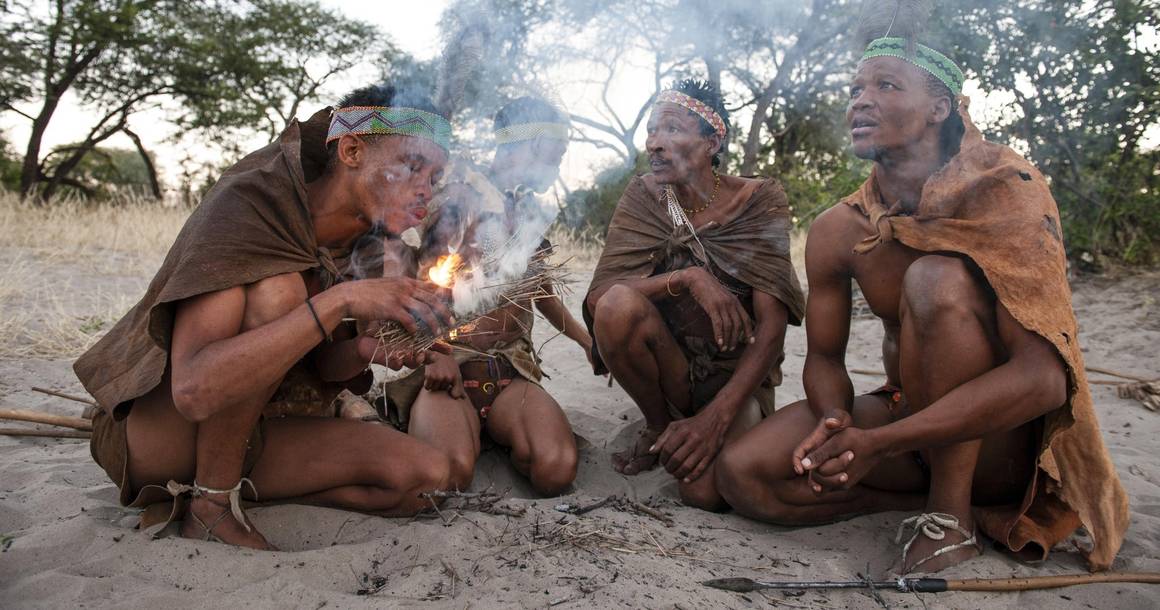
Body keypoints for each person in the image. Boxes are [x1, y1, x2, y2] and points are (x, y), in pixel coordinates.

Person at [714, 30, 1129, 574]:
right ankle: (913, 506)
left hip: (995, 443)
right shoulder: (841, 229)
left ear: (940, 107)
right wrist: (839, 423)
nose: (860, 100)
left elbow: (1044, 380)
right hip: (901, 424)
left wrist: (881, 443)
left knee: (934, 280)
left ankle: (951, 515)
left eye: (886, 85)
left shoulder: (1007, 191)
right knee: (744, 474)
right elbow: (822, 360)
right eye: (856, 88)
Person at [75, 84, 481, 551]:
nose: (426, 191)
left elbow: (322, 366)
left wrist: (368, 349)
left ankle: (229, 493)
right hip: (162, 435)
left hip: (253, 434)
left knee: (426, 478)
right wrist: (342, 300)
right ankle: (210, 506)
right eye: (412, 167)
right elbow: (194, 391)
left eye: (435, 176)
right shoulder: (253, 202)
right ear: (351, 150)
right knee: (280, 289)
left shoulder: (369, 244)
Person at [582, 80, 805, 509]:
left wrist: (715, 419)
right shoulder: (644, 196)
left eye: (671, 129)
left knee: (703, 492)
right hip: (672, 369)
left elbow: (773, 325)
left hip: (734, 381)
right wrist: (688, 280)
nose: (654, 143)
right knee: (616, 305)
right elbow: (600, 298)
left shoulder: (758, 199)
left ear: (712, 141)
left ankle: (706, 423)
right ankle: (658, 424)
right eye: (651, 131)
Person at [385, 96, 587, 496]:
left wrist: (587, 342)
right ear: (532, 145)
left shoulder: (525, 207)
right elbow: (426, 283)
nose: (560, 162)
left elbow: (537, 288)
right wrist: (438, 355)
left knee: (556, 469)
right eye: (557, 152)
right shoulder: (463, 194)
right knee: (451, 472)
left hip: (510, 372)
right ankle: (458, 425)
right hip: (451, 370)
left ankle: (492, 428)